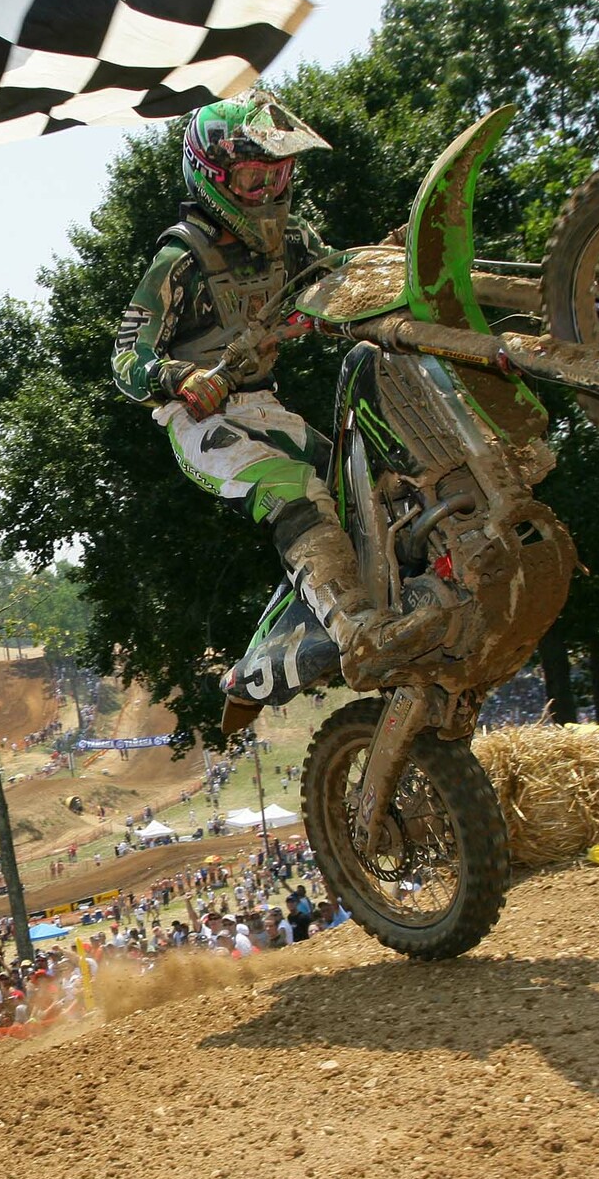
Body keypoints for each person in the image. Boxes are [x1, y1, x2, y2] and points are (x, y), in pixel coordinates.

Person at [114, 92, 429, 726]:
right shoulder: (181, 259)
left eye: (277, 176)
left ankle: (280, 650)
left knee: (368, 486)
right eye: (253, 179)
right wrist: (177, 376)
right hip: (200, 422)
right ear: (212, 177)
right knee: (292, 491)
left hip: (266, 408)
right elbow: (125, 357)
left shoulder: (293, 239)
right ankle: (356, 631)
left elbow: (337, 279)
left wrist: (384, 259)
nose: (267, 193)